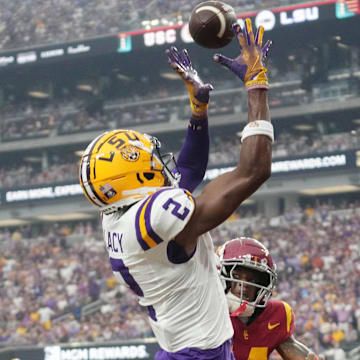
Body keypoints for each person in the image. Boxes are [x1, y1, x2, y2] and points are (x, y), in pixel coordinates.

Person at [79, 18, 273, 359]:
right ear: (132, 176)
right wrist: (256, 84)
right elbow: (253, 171)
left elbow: (189, 170)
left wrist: (198, 113)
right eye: (148, 161)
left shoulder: (119, 215)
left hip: (182, 348)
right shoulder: (155, 219)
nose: (159, 163)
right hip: (200, 354)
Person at [217, 237, 324, 360]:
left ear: (264, 284)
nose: (244, 284)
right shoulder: (209, 312)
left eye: (252, 280)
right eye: (236, 276)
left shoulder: (276, 315)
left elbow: (289, 345)